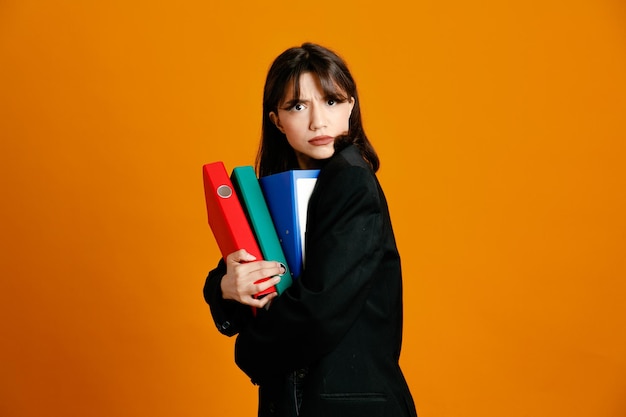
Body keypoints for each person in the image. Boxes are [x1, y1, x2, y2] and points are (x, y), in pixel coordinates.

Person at [203, 42, 418, 417]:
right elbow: (242, 270)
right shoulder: (278, 187)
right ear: (276, 120)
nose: (318, 121)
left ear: (351, 106)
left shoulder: (350, 180)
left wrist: (248, 350)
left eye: (332, 102)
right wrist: (226, 286)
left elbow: (320, 307)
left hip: (349, 405)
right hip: (298, 402)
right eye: (298, 106)